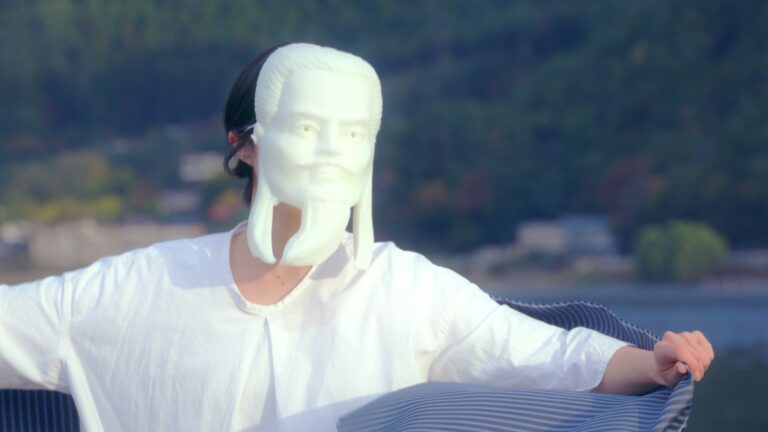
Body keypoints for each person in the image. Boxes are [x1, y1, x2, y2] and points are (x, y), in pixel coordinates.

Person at [0, 43, 714, 431]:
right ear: (245, 144)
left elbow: (544, 358)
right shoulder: (137, 289)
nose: (332, 153)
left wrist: (653, 363)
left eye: (353, 134)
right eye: (308, 129)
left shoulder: (404, 291)